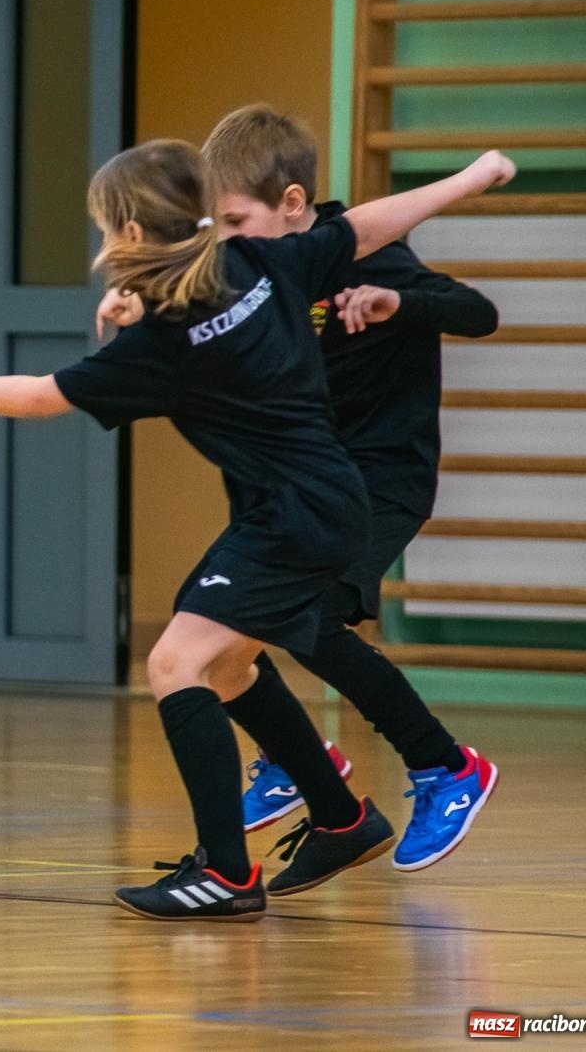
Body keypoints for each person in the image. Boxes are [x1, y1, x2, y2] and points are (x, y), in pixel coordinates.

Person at [0, 139, 514, 921]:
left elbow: (42, 396)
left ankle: (226, 873)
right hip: (310, 501)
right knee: (230, 666)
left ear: (132, 236)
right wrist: (471, 177)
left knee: (177, 660)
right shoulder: (256, 263)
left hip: (294, 514)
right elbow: (367, 227)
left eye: (106, 230)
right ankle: (341, 815)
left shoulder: (166, 342)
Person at [204, 104, 499, 871]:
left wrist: (400, 304)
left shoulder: (368, 254)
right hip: (313, 479)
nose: (227, 238)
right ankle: (297, 764)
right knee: (217, 618)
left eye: (237, 219)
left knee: (316, 613)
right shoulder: (256, 272)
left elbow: (479, 312)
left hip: (385, 475)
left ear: (294, 207)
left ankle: (447, 768)